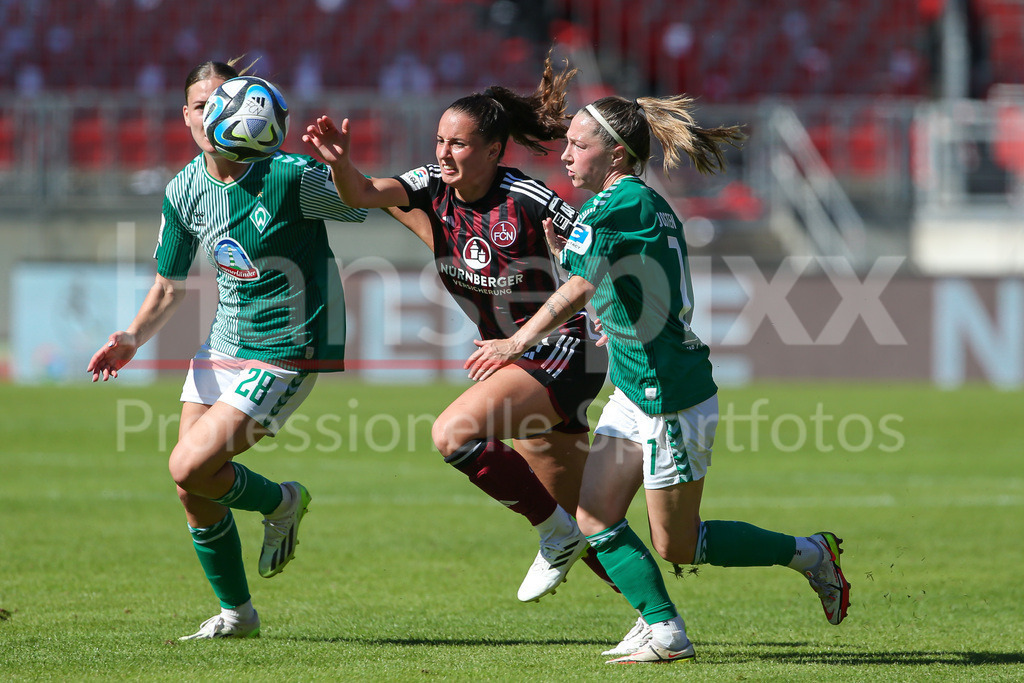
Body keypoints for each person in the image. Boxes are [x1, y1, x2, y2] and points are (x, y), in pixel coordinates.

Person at [466, 95, 852, 663]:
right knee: (594, 516)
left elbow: (579, 287)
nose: (565, 155)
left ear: (615, 155)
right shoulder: (635, 202)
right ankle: (664, 629)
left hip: (668, 394)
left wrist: (516, 342)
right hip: (635, 389)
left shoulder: (616, 202)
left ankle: (811, 554)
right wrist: (584, 280)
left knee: (679, 543)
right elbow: (620, 281)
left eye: (578, 145)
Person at [302, 55, 615, 602]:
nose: (444, 153)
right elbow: (363, 195)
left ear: (493, 151)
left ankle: (554, 535)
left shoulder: (530, 199)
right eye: (440, 141)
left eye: (459, 144)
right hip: (519, 358)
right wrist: (341, 163)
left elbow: (599, 262)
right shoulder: (430, 186)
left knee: (454, 433)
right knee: (588, 522)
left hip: (563, 348)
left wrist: (610, 311)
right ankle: (658, 618)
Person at [87, 59, 368, 640]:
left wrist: (340, 166)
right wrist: (132, 337)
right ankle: (238, 616)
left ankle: (281, 501)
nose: (220, 112)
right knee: (191, 486)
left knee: (189, 465)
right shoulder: (183, 188)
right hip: (223, 345)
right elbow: (169, 283)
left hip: (287, 346)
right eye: (205, 103)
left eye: (230, 100)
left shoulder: (287, 175)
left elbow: (359, 204)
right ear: (189, 115)